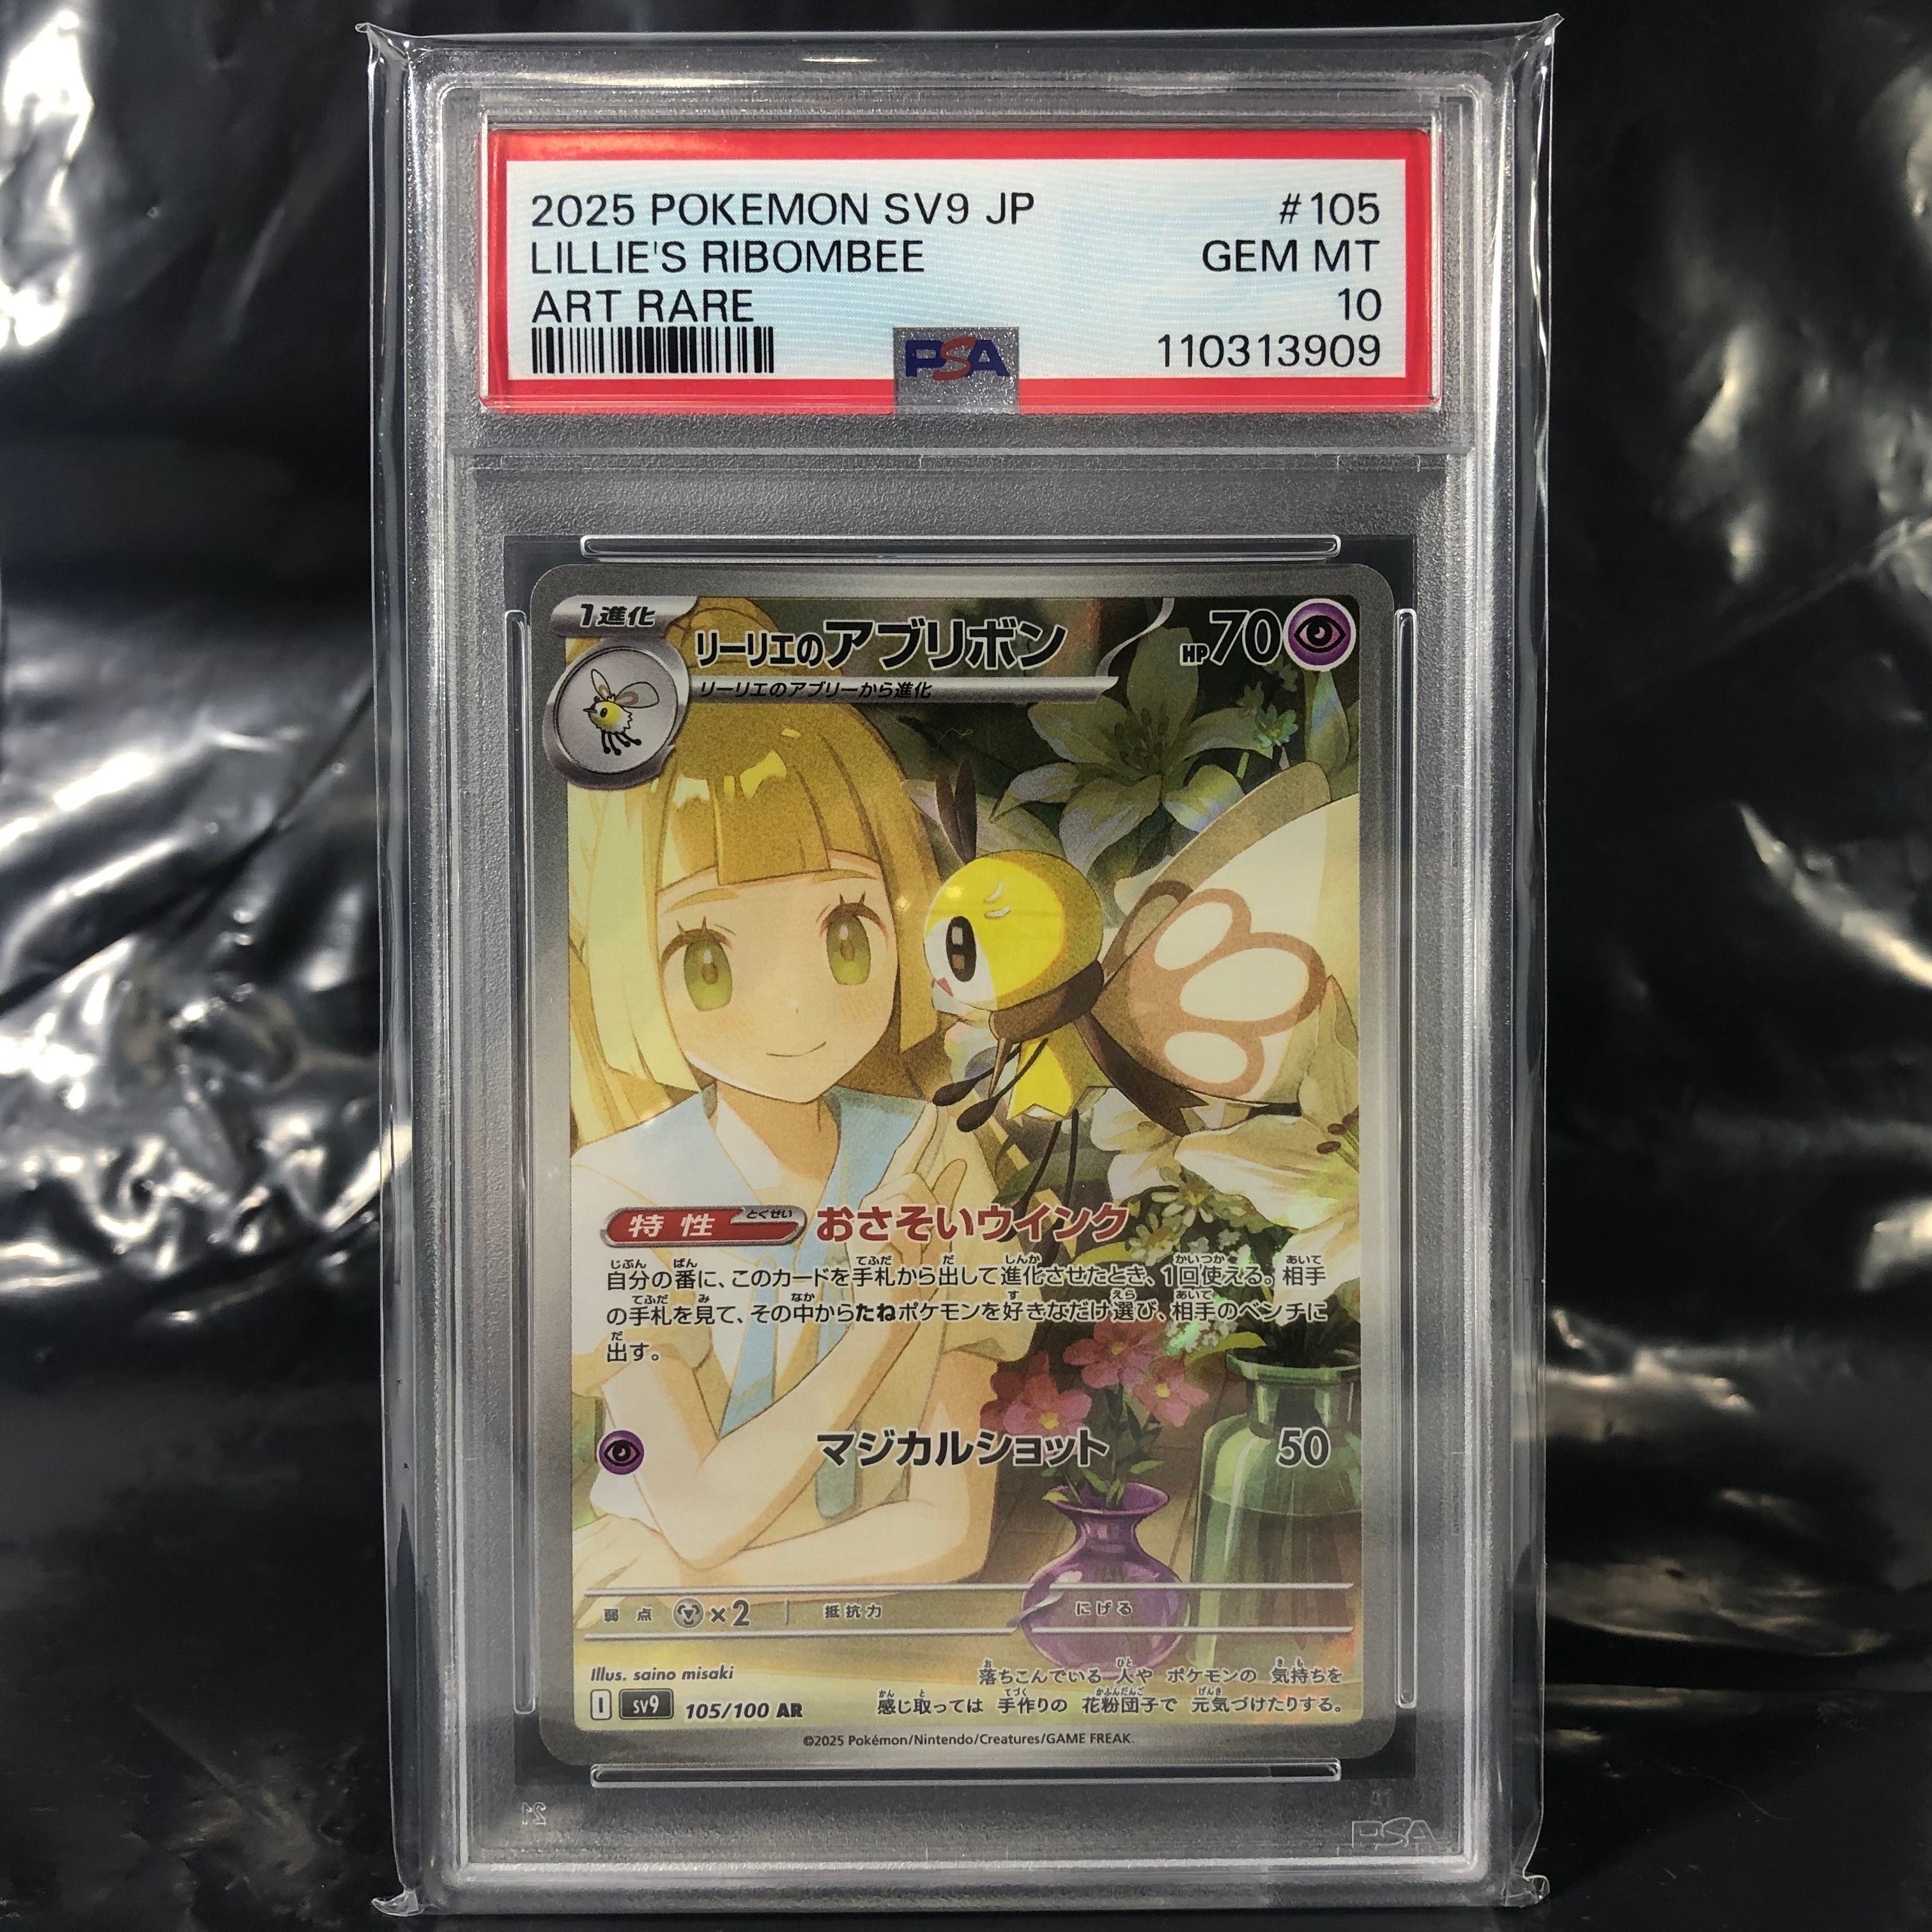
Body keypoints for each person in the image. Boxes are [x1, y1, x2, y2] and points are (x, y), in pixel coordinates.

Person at [569, 697, 1029, 1606]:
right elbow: (698, 1518)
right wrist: (883, 1324)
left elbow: (949, 1533)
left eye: (846, 935)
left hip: (850, 1627)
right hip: (647, 1637)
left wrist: (699, 1586)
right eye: (708, 958)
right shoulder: (617, 1191)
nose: (792, 1007)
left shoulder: (934, 1153)